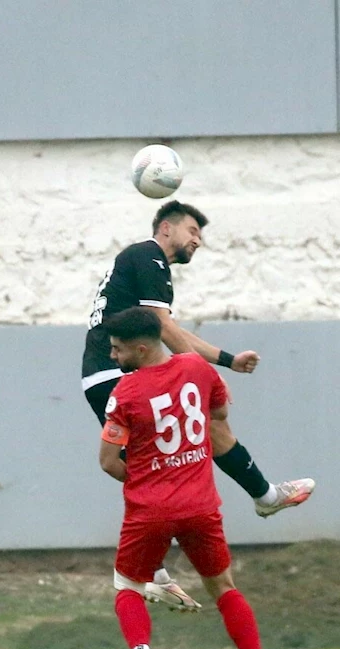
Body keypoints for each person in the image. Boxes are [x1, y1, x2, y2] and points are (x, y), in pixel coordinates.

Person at [82, 199, 315, 610]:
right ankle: (259, 500)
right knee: (171, 454)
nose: (198, 240)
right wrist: (200, 370)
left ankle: (155, 569)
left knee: (169, 452)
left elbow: (166, 330)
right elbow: (164, 328)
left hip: (109, 375)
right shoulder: (148, 255)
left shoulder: (146, 263)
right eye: (193, 230)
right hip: (119, 372)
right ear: (166, 227)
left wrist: (226, 360)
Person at [99, 307, 275, 649]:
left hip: (150, 510)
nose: (112, 356)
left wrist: (147, 475)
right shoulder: (198, 368)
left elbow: (109, 461)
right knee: (224, 588)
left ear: (141, 349)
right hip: (200, 505)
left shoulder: (124, 393)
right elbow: (220, 414)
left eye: (117, 350)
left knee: (127, 585)